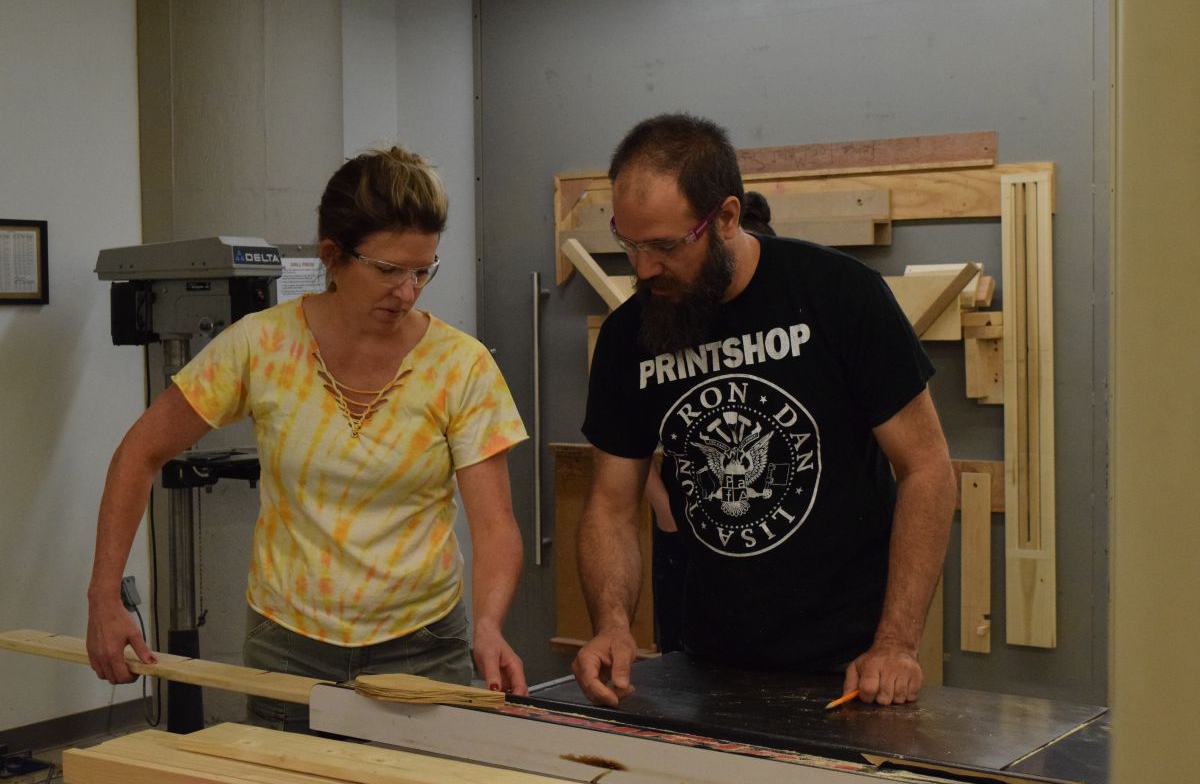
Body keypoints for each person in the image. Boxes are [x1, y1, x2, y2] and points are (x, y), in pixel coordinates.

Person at [86, 146, 530, 731]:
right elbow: (139, 452)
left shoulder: (461, 365)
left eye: (423, 270)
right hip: (288, 645)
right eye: (389, 270)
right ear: (332, 257)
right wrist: (104, 597)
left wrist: (490, 625)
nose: (409, 291)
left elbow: (496, 524)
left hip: (422, 644)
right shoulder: (262, 345)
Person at [573, 113, 956, 709]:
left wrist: (897, 643)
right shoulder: (632, 336)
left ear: (725, 217)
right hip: (705, 655)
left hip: (852, 661)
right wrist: (612, 624)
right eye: (629, 243)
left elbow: (927, 469)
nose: (644, 268)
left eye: (666, 246)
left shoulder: (838, 295)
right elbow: (610, 506)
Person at [645, 190, 776, 654]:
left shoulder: (788, 308)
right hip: (685, 543)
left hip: (773, 562)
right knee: (679, 661)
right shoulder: (664, 316)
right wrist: (666, 514)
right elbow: (627, 452)